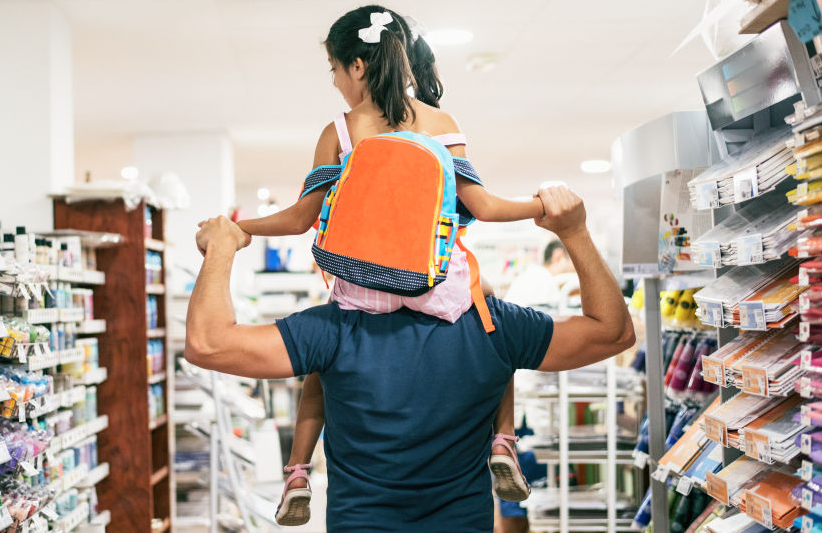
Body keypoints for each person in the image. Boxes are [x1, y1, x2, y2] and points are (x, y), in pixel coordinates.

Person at [234, 6, 544, 524]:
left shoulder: (342, 129)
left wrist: (242, 230)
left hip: (364, 290)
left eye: (334, 69)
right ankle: (503, 440)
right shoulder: (441, 124)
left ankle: (296, 470)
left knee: (322, 364)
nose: (335, 81)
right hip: (436, 285)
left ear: (357, 66)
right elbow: (485, 208)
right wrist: (544, 206)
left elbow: (300, 218)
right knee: (495, 325)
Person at [186, 184, 635, 532]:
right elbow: (612, 332)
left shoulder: (333, 328)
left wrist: (223, 246)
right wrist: (573, 231)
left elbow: (209, 343)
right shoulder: (490, 324)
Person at [504, 239, 576, 308]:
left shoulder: (531, 275)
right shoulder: (544, 281)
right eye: (572, 260)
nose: (574, 267)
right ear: (558, 256)